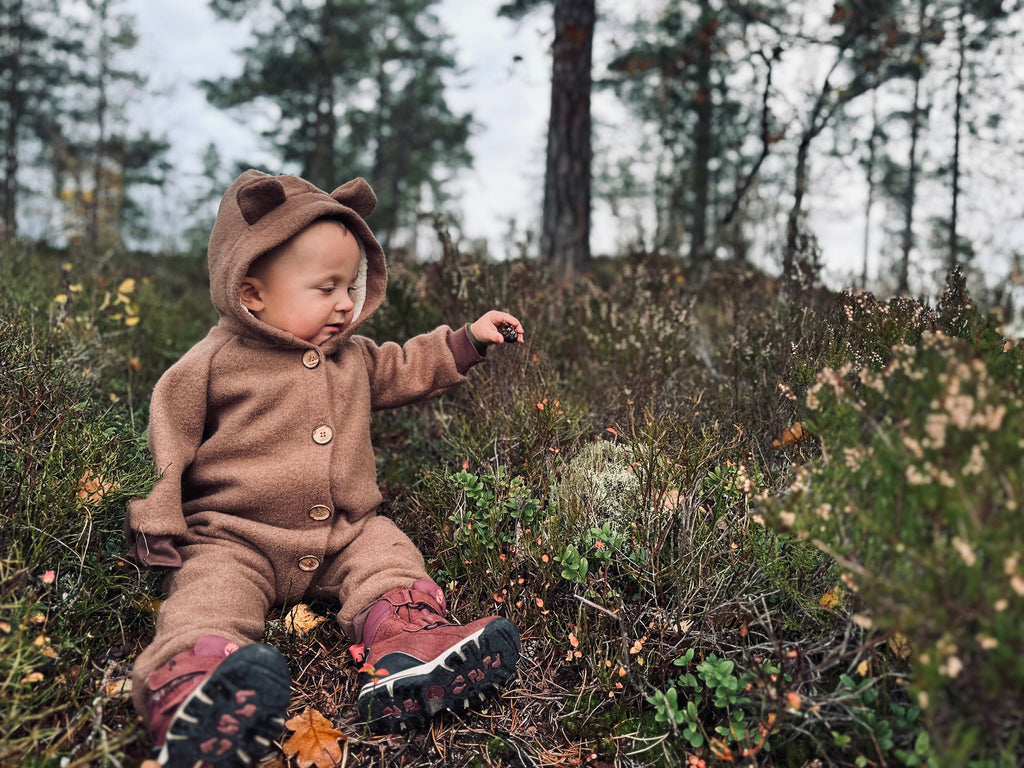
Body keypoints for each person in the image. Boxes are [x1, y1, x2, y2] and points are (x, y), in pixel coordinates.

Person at [125, 170, 523, 767]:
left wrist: (466, 340)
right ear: (251, 290)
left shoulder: (354, 357)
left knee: (387, 555)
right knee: (208, 596)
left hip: (344, 531)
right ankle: (194, 686)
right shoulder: (214, 362)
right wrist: (158, 520)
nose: (345, 302)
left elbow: (408, 364)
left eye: (351, 285)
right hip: (235, 535)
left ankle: (406, 649)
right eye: (325, 287)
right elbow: (169, 435)